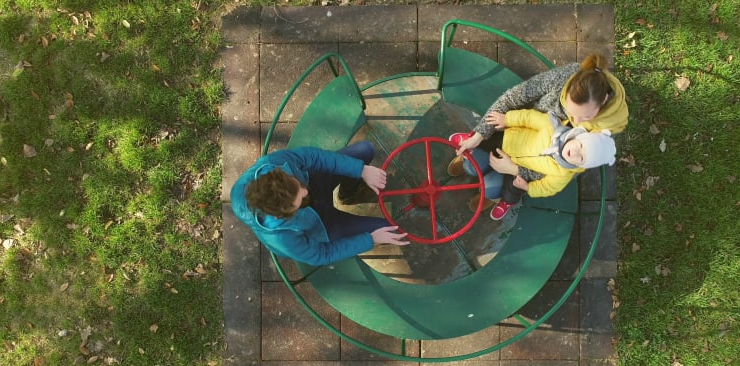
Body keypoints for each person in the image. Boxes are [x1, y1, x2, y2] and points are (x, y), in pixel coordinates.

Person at [230, 140, 409, 266]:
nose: (305, 191)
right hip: (322, 226)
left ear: (277, 174)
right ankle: (347, 197)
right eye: (299, 200)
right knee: (391, 229)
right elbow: (323, 254)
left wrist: (360, 170)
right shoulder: (283, 239)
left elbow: (312, 156)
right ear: (282, 214)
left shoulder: (272, 164)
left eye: (296, 184)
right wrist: (370, 240)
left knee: (365, 150)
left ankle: (347, 194)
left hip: (317, 182)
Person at [447, 110, 616, 220]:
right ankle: (467, 163)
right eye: (580, 146)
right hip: (508, 142)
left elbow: (548, 187)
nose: (575, 153)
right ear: (577, 136)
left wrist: (528, 187)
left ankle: (500, 199)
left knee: (510, 189)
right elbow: (528, 118)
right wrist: (507, 119)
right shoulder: (551, 126)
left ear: (582, 165)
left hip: (515, 172)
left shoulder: (564, 173)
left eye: (581, 158)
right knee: (478, 154)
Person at [452, 52, 628, 156]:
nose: (577, 121)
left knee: (504, 178)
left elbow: (565, 164)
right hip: (522, 123)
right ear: (566, 91)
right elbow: (514, 97)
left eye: (586, 116)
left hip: (540, 152)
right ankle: (481, 144)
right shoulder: (562, 79)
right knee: (488, 141)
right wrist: (480, 134)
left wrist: (515, 169)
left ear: (604, 100)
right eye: (570, 111)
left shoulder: (608, 129)